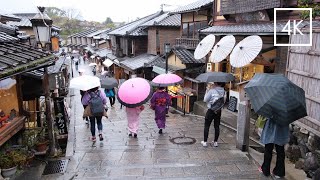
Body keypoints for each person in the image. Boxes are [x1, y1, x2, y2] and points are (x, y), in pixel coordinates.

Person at [201, 82, 225, 147]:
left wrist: (207, 90)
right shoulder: (224, 91)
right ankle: (215, 142)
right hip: (218, 111)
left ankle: (205, 142)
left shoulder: (211, 91)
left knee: (207, 126)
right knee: (217, 126)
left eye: (214, 82)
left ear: (216, 83)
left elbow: (205, 100)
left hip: (211, 110)